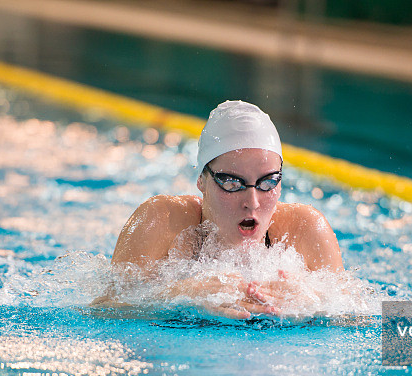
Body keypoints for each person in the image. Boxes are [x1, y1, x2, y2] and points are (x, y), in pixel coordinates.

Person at [105, 100, 343, 318]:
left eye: (268, 182)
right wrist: (179, 295)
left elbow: (373, 324)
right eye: (232, 183)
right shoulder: (161, 220)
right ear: (201, 181)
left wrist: (315, 305)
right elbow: (103, 309)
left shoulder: (305, 229)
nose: (253, 201)